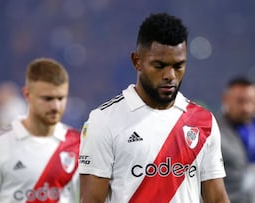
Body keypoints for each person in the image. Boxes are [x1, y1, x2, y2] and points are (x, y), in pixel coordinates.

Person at [78, 13, 230, 203]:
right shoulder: (104, 120)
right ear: (137, 61)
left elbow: (217, 199)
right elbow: (92, 200)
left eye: (178, 66)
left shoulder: (203, 122)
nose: (170, 75)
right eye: (159, 66)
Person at [0, 57, 81, 203]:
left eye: (61, 98)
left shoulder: (79, 144)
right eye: (47, 99)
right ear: (27, 95)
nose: (56, 107)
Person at [216, 77, 255, 203]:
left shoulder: (251, 128)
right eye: (240, 101)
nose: (247, 108)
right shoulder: (212, 131)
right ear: (226, 99)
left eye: (252, 102)